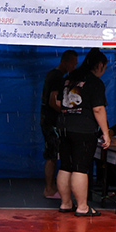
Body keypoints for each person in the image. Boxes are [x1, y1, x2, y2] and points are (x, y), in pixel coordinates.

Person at [57, 48, 110, 218]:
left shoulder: (69, 78)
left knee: (65, 166)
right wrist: (106, 133)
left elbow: (58, 102)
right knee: (80, 168)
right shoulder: (94, 82)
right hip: (84, 129)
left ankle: (65, 203)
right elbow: (98, 109)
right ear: (100, 65)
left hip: (64, 126)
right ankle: (82, 207)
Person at [41, 50, 78, 199]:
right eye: (73, 64)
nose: (74, 67)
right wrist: (65, 111)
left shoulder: (52, 74)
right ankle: (49, 189)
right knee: (52, 155)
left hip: (47, 120)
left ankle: (51, 187)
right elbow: (52, 100)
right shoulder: (57, 77)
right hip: (51, 122)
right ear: (65, 61)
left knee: (52, 154)